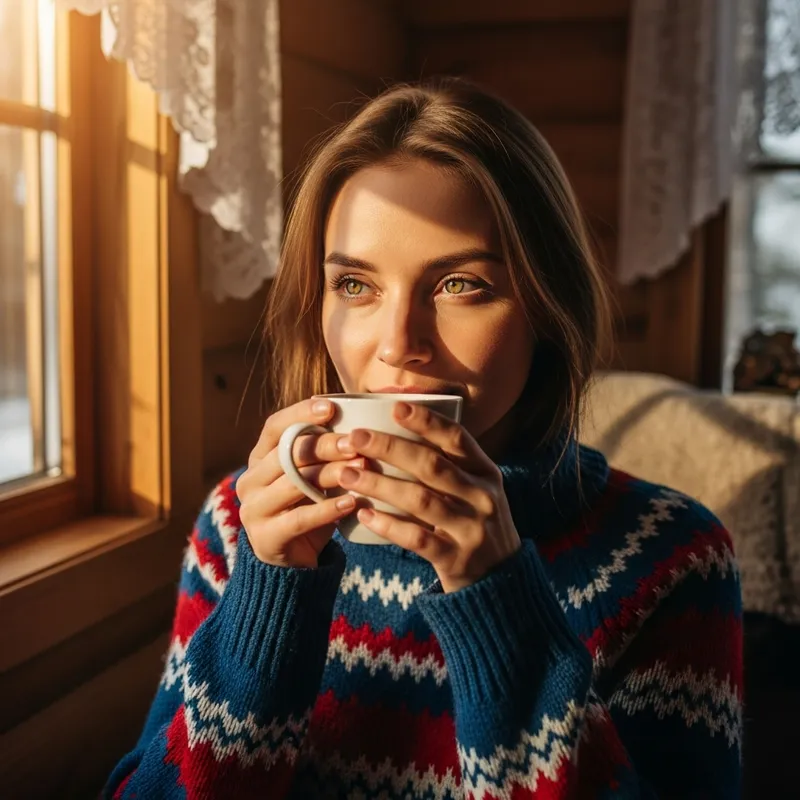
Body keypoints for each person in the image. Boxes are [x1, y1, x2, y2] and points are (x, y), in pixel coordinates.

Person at [105, 78, 742, 799]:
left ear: (545, 305)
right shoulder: (240, 526)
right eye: (355, 285)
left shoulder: (672, 559)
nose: (398, 345)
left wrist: (497, 601)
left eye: (459, 284)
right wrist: (267, 602)